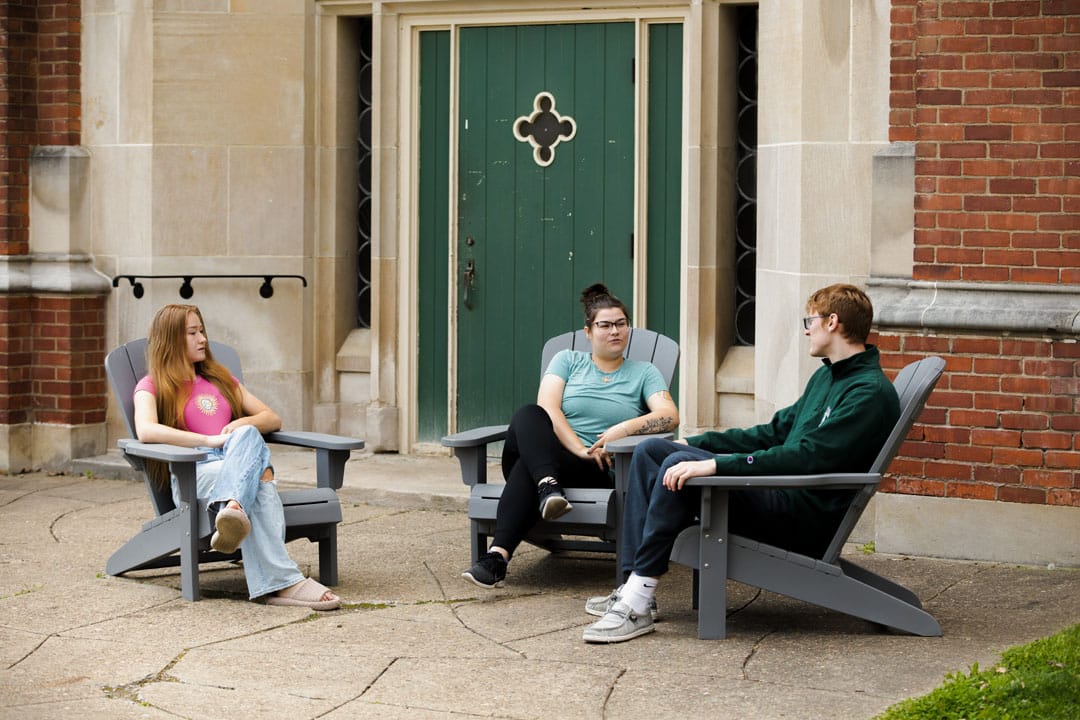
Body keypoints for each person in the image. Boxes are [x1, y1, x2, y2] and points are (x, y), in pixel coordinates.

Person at [582, 283, 900, 643]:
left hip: (800, 512)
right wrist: (698, 444)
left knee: (682, 467)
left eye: (809, 320)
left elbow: (806, 458)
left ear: (833, 322)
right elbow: (772, 433)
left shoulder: (867, 392)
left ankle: (637, 602)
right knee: (655, 450)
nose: (806, 329)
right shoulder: (828, 375)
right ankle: (632, 588)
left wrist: (719, 466)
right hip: (781, 495)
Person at [462, 283, 680, 589]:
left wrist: (622, 429)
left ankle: (497, 556)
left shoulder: (644, 372)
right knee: (529, 413)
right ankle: (548, 485)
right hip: (561, 453)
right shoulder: (567, 360)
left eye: (621, 324)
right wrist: (579, 448)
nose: (614, 331)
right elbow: (549, 408)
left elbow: (669, 415)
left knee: (530, 467)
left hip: (598, 468)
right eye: (605, 325)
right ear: (588, 332)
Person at [133, 304, 341, 610]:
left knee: (247, 436)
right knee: (261, 478)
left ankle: (234, 509)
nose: (202, 338)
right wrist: (207, 440)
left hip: (234, 465)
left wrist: (239, 424)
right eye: (192, 333)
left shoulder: (220, 379)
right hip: (195, 473)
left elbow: (271, 417)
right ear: (171, 340)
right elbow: (146, 430)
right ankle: (282, 581)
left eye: (201, 330)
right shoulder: (152, 385)